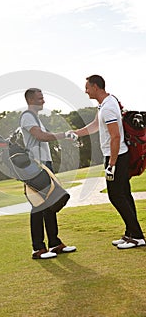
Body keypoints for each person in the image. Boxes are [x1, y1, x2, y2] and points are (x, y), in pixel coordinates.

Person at [71, 75, 145, 249]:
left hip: (117, 156)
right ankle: (131, 234)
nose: (85, 90)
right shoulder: (104, 105)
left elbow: (115, 137)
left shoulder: (109, 107)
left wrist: (111, 164)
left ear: (96, 87)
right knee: (124, 195)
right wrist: (76, 133)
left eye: (87, 87)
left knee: (116, 196)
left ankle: (138, 236)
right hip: (116, 156)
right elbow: (96, 125)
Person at [20, 88, 77, 259]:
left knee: (50, 202)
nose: (43, 101)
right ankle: (38, 248)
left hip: (44, 164)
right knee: (38, 204)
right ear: (31, 100)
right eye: (40, 98)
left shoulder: (36, 117)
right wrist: (64, 134)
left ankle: (54, 243)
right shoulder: (27, 116)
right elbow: (41, 136)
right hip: (34, 167)